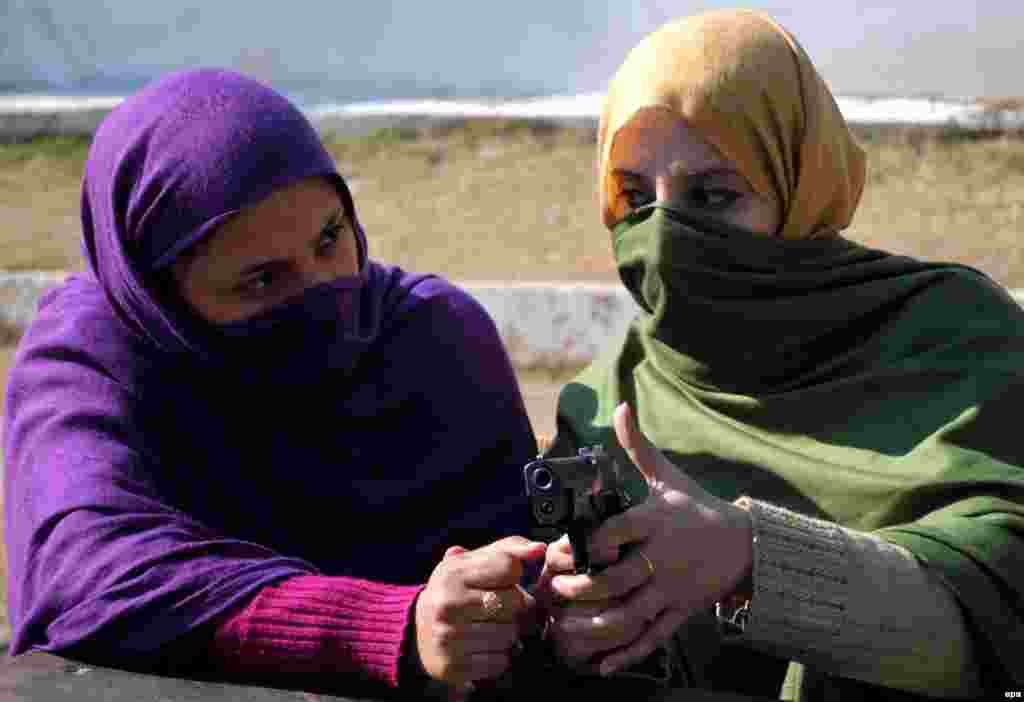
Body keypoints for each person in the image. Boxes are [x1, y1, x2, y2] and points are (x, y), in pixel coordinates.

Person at [2, 69, 549, 699]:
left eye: (330, 239)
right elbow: (90, 578)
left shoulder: (429, 339)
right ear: (161, 300)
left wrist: (556, 590)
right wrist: (389, 626)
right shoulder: (95, 361)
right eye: (263, 280)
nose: (324, 291)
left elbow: (519, 566)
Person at [538, 9, 1024, 700]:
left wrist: (748, 557)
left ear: (801, 185)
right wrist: (570, 620)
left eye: (713, 195)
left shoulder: (955, 338)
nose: (667, 235)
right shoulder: (612, 395)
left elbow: (1000, 605)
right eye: (637, 199)